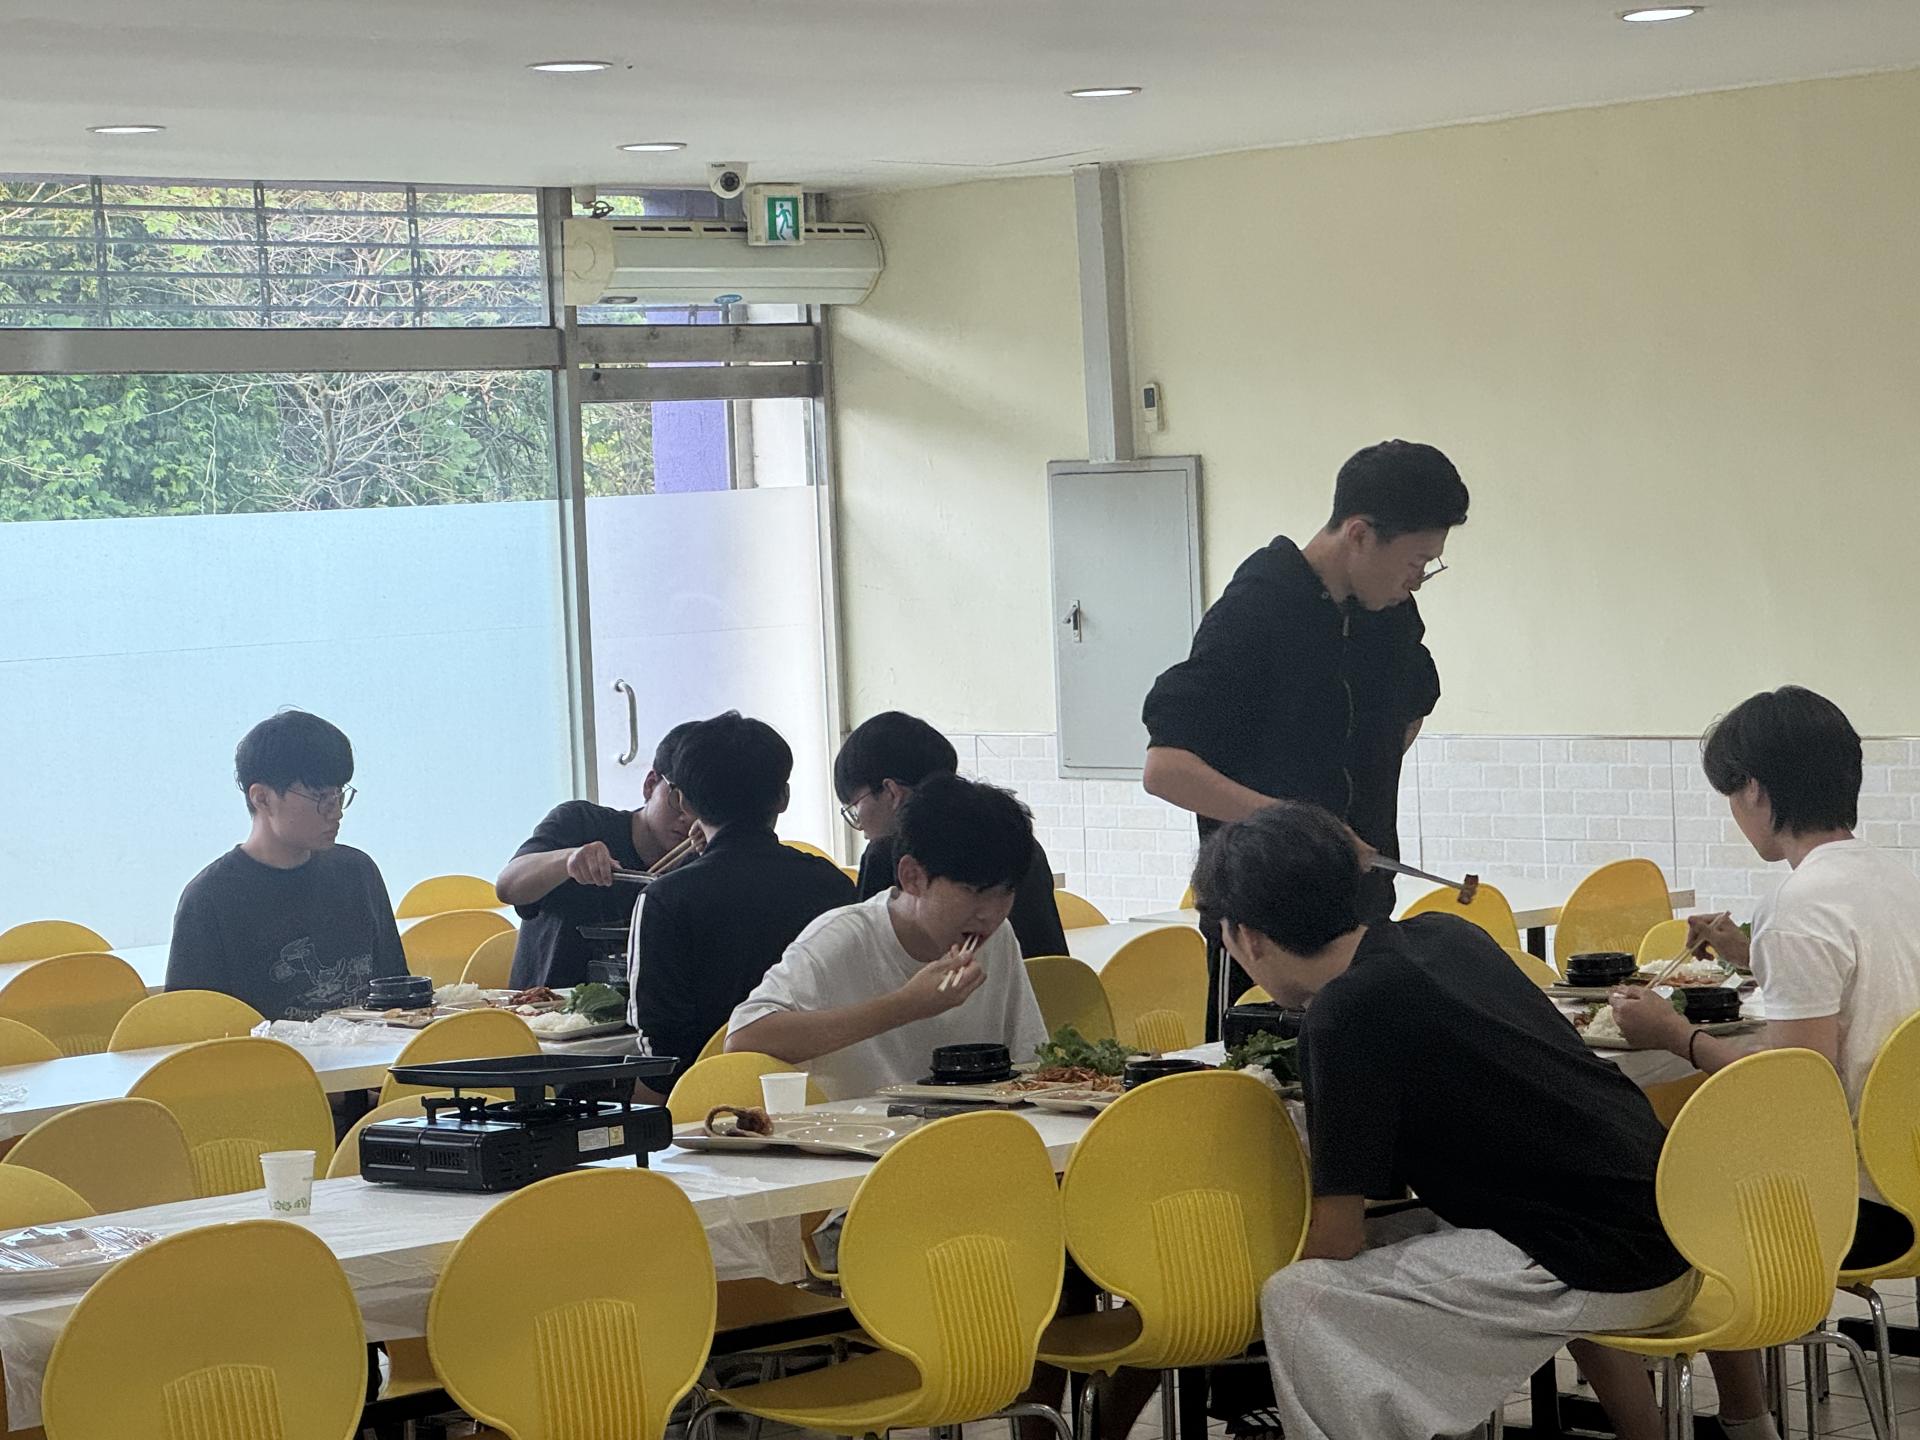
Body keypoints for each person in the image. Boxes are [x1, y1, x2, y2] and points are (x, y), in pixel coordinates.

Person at [1191, 801, 1693, 1440]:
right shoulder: (1449, 935)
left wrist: (1237, 1290)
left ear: (1248, 937)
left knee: (1299, 1297)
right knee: (1392, 1241)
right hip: (1675, 1222)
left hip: (1603, 1262)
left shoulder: (1343, 1014)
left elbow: (1338, 1236)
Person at [1592, 686, 1920, 1440]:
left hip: (1847, 1209)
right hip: (1911, 1178)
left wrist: (1674, 1035)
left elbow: (1793, 1092)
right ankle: (1746, 1419)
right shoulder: (1899, 880)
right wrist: (1748, 954)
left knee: (1627, 1207)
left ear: (1754, 791)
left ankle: (1741, 1422)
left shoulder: (1801, 903)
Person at [1142, 440, 1468, 1025]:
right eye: (1415, 562)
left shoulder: (1388, 616)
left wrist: (1367, 780)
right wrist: (1306, 831)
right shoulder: (1255, 613)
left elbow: (1412, 706)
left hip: (1361, 920)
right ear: (1359, 534)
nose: (1418, 581)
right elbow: (1166, 770)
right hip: (1265, 935)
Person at [727, 772, 1049, 1100]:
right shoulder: (842, 938)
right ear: (912, 876)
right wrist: (906, 1005)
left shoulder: (996, 936)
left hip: (968, 1127)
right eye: (973, 891)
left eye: (1005, 892)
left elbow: (1030, 1061)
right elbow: (743, 1039)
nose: (990, 913)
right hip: (855, 1130)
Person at [626, 711, 856, 1094]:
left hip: (704, 1101)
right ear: (783, 797)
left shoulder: (664, 898)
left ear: (684, 802)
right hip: (822, 1091)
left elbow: (659, 1048)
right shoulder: (832, 884)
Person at [167, 709, 407, 1021]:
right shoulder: (209, 899)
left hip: (370, 1052)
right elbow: (191, 1028)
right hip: (266, 1054)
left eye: (339, 795)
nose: (336, 812)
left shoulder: (358, 873)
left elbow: (399, 999)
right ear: (262, 799)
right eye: (320, 797)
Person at [835, 711, 1070, 959]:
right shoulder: (1016, 839)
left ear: (891, 792)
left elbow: (867, 955)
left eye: (855, 808)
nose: (861, 828)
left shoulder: (887, 853)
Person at [496, 721, 699, 988]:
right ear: (650, 784)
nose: (688, 818)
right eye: (678, 800)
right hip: (545, 1008)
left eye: (701, 807)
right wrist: (568, 860)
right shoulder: (580, 822)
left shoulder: (698, 860)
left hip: (639, 1011)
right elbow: (507, 887)